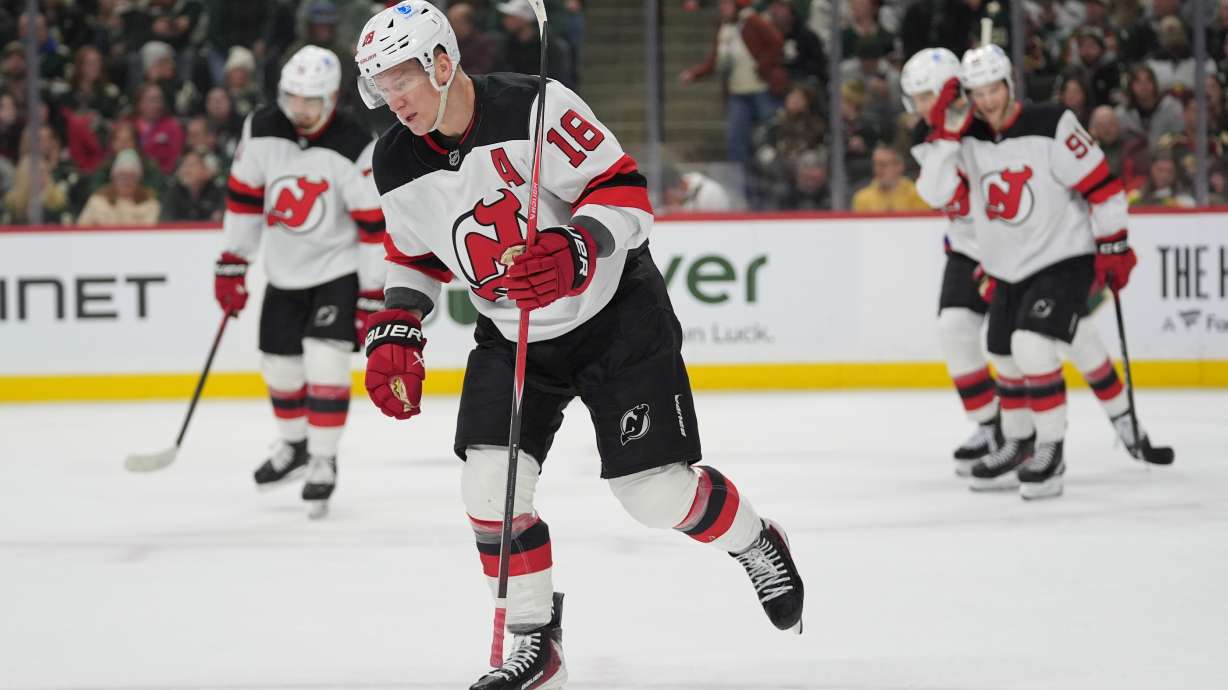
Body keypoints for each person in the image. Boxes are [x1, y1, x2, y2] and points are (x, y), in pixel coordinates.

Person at [352, 2, 805, 687]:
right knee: (489, 489)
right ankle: (538, 644)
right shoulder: (393, 159)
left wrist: (574, 248)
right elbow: (412, 254)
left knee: (653, 494)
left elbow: (625, 191)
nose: (393, 100)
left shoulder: (535, 107)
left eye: (401, 80)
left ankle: (755, 540)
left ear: (443, 63)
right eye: (380, 86)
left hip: (614, 313)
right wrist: (398, 324)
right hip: (513, 336)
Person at [948, 44, 1166, 499]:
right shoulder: (966, 137)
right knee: (1004, 352)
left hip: (1064, 258)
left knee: (1031, 344)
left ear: (1010, 84)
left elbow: (1103, 187)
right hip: (1009, 268)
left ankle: (1051, 451)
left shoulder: (1051, 122)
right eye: (977, 93)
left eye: (994, 89)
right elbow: (952, 197)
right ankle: (1021, 442)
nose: (987, 100)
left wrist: (1113, 247)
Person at [212, 45, 386, 519]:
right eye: (292, 98)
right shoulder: (262, 128)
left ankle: (324, 460)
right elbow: (245, 199)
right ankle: (295, 447)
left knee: (325, 362)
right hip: (284, 271)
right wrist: (233, 261)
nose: (299, 110)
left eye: (310, 100)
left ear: (330, 99)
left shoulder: (355, 142)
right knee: (279, 366)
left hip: (337, 270)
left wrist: (372, 294)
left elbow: (374, 226)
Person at [76, 148, 161, 226]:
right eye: (121, 175)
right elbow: (81, 231)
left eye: (131, 176)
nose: (126, 181)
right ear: (113, 177)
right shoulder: (97, 202)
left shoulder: (150, 205)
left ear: (138, 179)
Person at [851, 145, 929, 212]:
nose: (878, 170)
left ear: (899, 166)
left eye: (883, 165)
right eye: (876, 165)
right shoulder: (862, 198)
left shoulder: (918, 194)